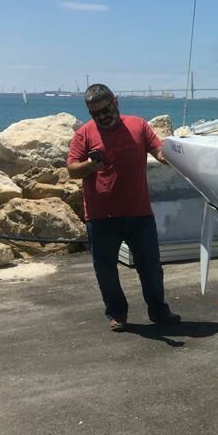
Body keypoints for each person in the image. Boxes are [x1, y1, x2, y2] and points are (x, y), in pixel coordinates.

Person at [67, 84, 180, 331]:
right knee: (106, 270)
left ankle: (159, 311)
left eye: (105, 110)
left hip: (139, 212)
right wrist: (90, 165)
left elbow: (158, 150)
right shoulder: (84, 134)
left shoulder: (138, 125)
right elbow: (72, 169)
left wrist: (172, 156)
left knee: (150, 266)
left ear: (115, 102)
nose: (102, 116)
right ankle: (117, 313)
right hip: (100, 217)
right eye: (95, 113)